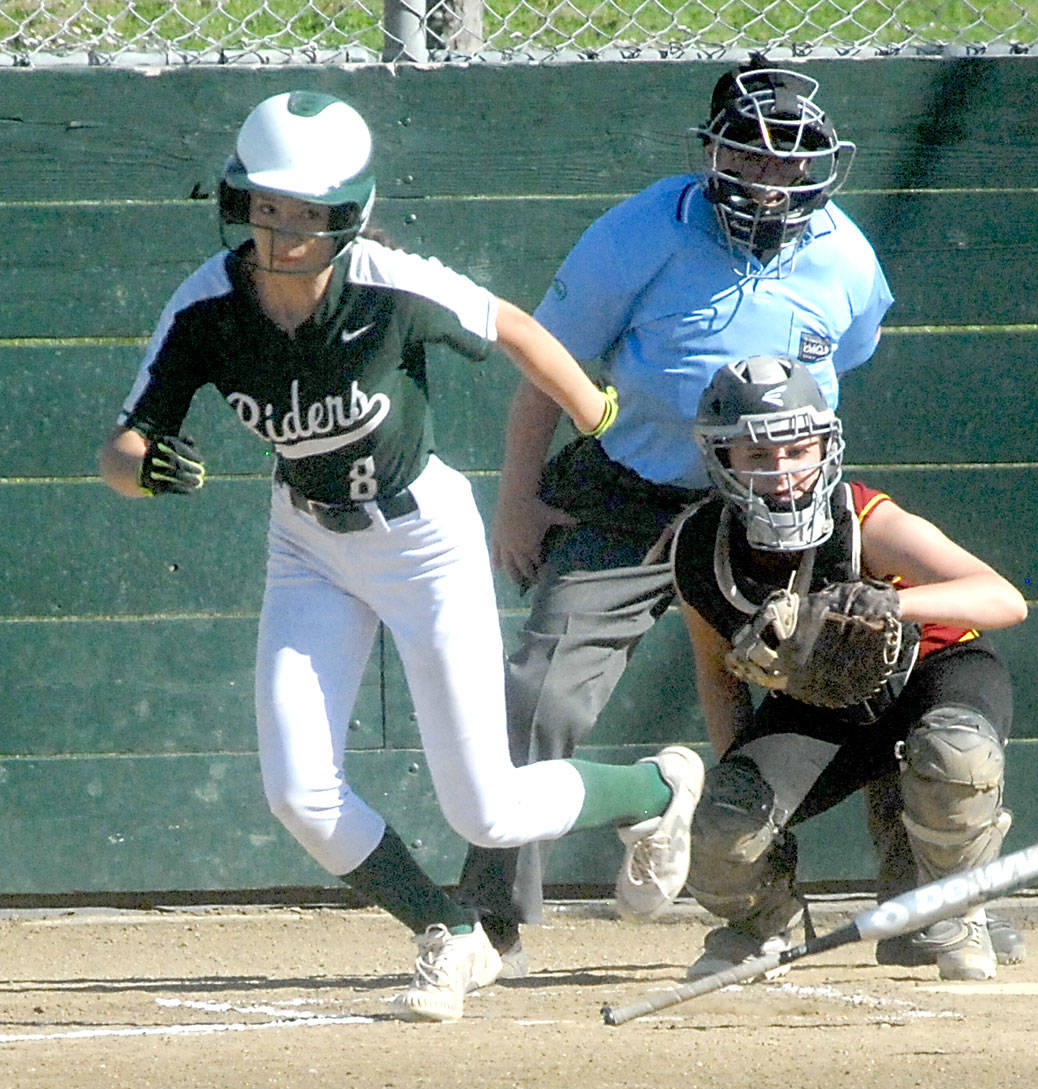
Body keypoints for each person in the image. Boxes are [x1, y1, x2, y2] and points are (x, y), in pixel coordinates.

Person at [97, 90, 705, 1024]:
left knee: (485, 809)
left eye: (309, 214)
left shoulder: (389, 284)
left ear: (350, 216)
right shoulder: (208, 303)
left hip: (422, 540)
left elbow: (511, 326)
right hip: (307, 542)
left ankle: (655, 789)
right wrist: (139, 469)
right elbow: (123, 445)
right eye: (267, 207)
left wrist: (595, 411)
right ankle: (450, 931)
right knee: (298, 793)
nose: (283, 234)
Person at [459, 55, 898, 974]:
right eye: (751, 155)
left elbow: (839, 374)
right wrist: (516, 497)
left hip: (775, 508)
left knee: (862, 667)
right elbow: (547, 365)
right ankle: (493, 915)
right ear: (712, 155)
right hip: (632, 492)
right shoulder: (642, 232)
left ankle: (920, 903)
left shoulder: (847, 257)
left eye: (791, 158)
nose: (771, 178)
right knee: (541, 691)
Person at [671, 355, 1028, 981]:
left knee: (956, 755)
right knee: (722, 825)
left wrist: (891, 602)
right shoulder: (703, 549)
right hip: (821, 706)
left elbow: (1004, 599)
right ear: (722, 459)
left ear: (825, 446)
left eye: (797, 451)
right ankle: (766, 922)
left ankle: (954, 907)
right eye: (757, 456)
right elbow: (718, 676)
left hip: (933, 670)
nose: (782, 472)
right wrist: (747, 807)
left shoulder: (861, 518)